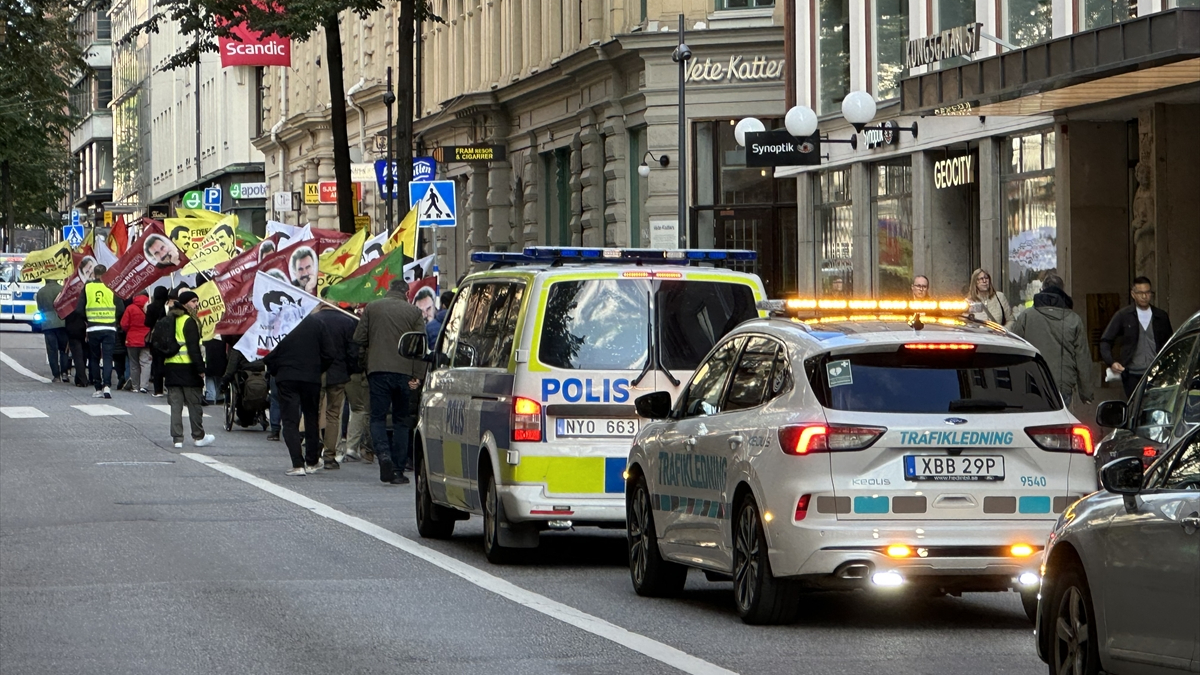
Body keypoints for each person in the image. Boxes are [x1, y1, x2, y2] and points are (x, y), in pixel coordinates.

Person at [354, 277, 426, 485]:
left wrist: (365, 360)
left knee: (377, 417)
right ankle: (397, 469)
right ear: (406, 294)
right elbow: (420, 346)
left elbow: (359, 338)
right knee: (401, 421)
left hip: (377, 370)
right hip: (405, 372)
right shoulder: (414, 312)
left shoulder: (373, 308)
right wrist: (417, 377)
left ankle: (383, 454)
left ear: (388, 290)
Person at [264, 306, 335, 476]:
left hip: (286, 376)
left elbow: (267, 352)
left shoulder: (278, 323)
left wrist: (275, 370)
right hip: (311, 377)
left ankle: (297, 464)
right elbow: (330, 353)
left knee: (289, 420)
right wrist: (318, 369)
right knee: (311, 418)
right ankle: (312, 460)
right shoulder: (317, 323)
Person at [1009, 275, 1094, 407]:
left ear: (1042, 289)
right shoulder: (1074, 319)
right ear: (1062, 290)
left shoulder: (1026, 316)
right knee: (1058, 425)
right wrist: (1086, 393)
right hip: (1062, 385)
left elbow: (1013, 348)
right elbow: (1082, 357)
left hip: (1032, 382)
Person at [1100, 276, 1174, 398]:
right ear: (1133, 294)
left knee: (1156, 409)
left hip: (1157, 374)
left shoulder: (1161, 316)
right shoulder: (1123, 315)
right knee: (1135, 409)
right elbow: (1105, 341)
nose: (1144, 297)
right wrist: (1112, 362)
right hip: (1132, 374)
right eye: (1140, 293)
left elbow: (1170, 343)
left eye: (1147, 292)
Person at [309, 300, 360, 469]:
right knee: (333, 415)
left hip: (316, 372)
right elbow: (353, 352)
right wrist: (350, 370)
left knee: (314, 413)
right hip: (338, 373)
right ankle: (330, 455)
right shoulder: (347, 321)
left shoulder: (313, 320)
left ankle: (312, 451)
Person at [164, 291, 214, 448]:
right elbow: (194, 349)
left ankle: (177, 439)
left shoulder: (170, 318)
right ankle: (198, 436)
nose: (196, 304)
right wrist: (201, 368)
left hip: (171, 367)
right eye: (193, 301)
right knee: (194, 404)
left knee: (176, 406)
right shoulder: (189, 321)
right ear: (185, 303)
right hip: (188, 368)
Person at [75, 264, 124, 399]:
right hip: (109, 327)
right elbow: (120, 308)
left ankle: (97, 387)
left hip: (93, 327)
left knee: (94, 358)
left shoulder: (88, 287)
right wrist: (113, 318)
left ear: (94, 274)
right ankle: (107, 386)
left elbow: (79, 309)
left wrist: (88, 318)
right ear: (106, 274)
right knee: (108, 358)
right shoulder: (111, 287)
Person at [36, 277, 70, 383]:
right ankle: (64, 373)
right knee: (64, 350)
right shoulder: (62, 289)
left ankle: (56, 376)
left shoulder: (41, 292)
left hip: (48, 324)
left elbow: (40, 307)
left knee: (52, 351)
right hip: (62, 322)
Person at [121, 291, 151, 393]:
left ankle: (135, 386)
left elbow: (124, 324)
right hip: (146, 339)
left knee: (133, 363)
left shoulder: (130, 308)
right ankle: (144, 386)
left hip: (132, 339)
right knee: (146, 362)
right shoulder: (150, 308)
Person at [144, 286, 170, 397]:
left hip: (155, 338)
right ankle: (169, 387)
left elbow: (147, 323)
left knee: (157, 364)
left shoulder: (151, 307)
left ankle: (158, 390)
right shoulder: (168, 307)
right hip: (169, 337)